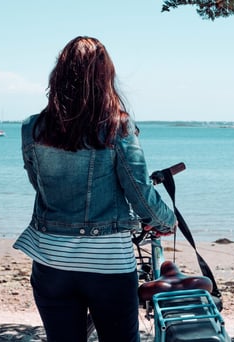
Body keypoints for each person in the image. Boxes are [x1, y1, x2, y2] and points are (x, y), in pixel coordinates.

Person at [13, 36, 177, 342]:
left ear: (58, 76)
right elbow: (139, 191)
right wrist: (166, 221)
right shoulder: (117, 126)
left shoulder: (32, 128)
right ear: (105, 77)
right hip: (107, 265)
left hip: (51, 262)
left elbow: (40, 185)